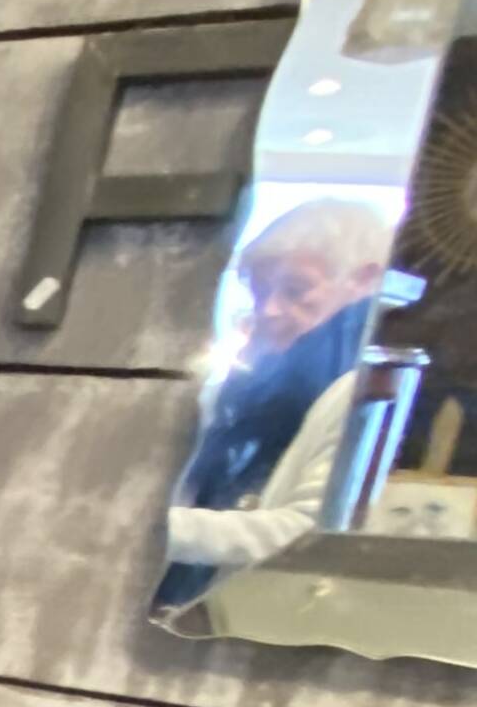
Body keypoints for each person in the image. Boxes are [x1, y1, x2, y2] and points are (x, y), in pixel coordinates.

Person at [153, 197, 392, 614]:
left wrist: (151, 529)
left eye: (295, 289)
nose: (269, 310)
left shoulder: (363, 393)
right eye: (260, 292)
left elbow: (309, 536)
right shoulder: (256, 383)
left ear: (365, 281)